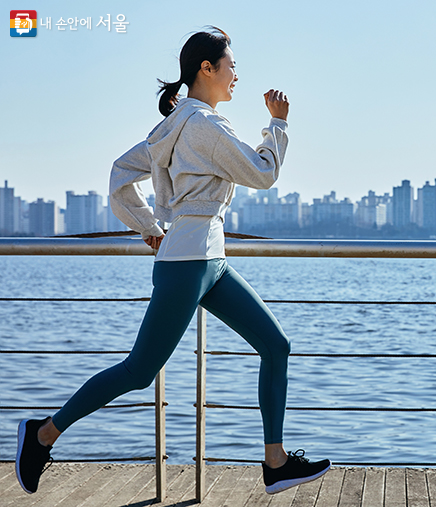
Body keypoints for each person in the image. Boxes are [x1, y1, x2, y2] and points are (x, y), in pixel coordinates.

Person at [16, 26, 330, 496]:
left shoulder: (173, 127)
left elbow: (120, 175)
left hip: (207, 257)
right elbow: (263, 173)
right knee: (139, 371)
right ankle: (42, 434)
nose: (236, 75)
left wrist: (149, 226)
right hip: (188, 260)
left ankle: (275, 462)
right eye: (231, 65)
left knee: (276, 346)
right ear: (207, 68)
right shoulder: (205, 126)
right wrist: (278, 124)